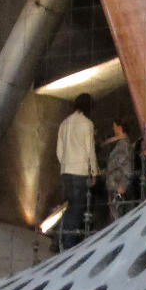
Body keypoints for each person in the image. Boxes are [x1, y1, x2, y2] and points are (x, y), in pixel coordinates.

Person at [56, 93, 98, 249]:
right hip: (80, 171)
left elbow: (59, 150)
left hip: (66, 170)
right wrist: (94, 172)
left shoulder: (64, 123)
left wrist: (65, 163)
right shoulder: (87, 124)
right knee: (78, 208)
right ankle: (68, 244)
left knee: (70, 205)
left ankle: (57, 240)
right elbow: (90, 151)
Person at [103, 118, 135, 221]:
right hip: (115, 185)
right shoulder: (121, 143)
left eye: (114, 126)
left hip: (118, 185)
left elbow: (125, 166)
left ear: (119, 127)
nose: (113, 128)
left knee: (117, 215)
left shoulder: (123, 145)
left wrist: (123, 184)